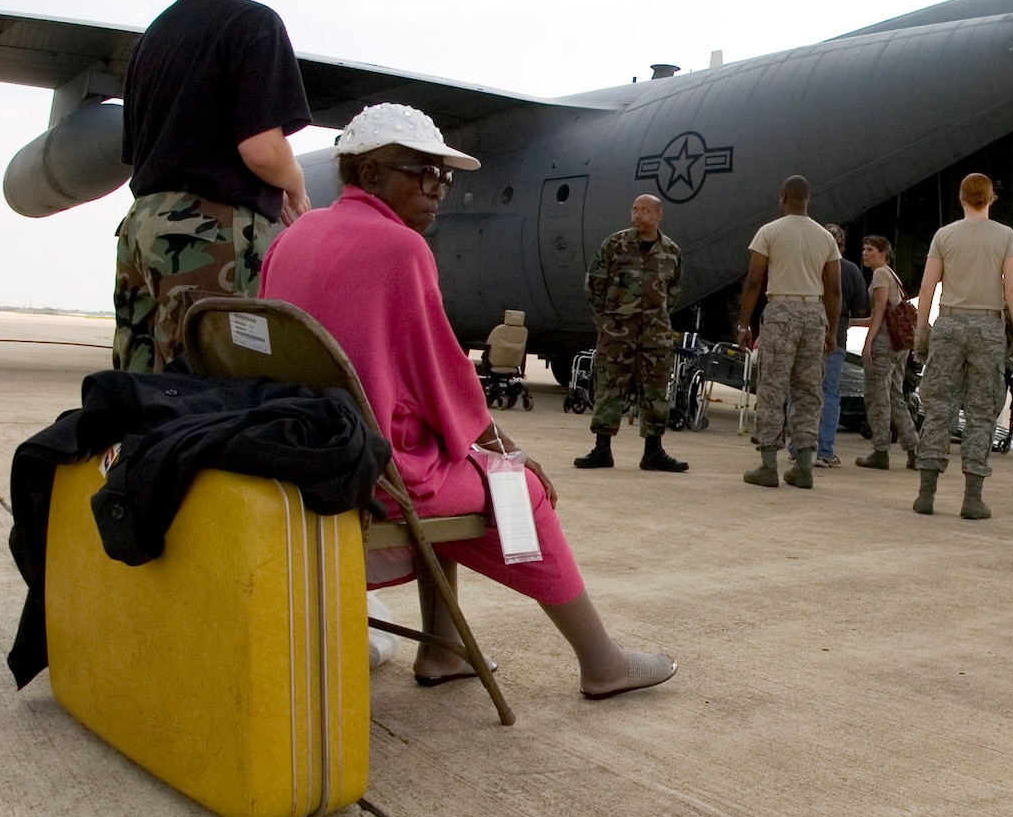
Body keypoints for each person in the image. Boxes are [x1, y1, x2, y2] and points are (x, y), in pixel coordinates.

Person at [260, 103, 676, 698]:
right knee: (520, 489)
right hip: (375, 474)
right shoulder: (399, 249)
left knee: (450, 452)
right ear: (372, 174)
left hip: (303, 451)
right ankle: (601, 661)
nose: (439, 192)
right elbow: (442, 375)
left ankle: (439, 649)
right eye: (424, 174)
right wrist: (507, 449)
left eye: (445, 178)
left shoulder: (296, 235)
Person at [114, 0, 311, 374]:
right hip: (208, 234)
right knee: (207, 388)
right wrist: (296, 183)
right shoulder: (254, 25)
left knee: (138, 390)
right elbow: (261, 148)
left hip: (141, 228)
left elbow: (134, 152)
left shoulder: (152, 37)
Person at [910, 173, 1013, 519]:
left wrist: (921, 333)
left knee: (939, 407)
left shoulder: (944, 236)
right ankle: (972, 497)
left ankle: (926, 494)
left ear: (962, 198)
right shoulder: (1005, 236)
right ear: (991, 198)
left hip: (948, 323)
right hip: (988, 327)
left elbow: (928, 288)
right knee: (981, 411)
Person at [737, 176, 842, 488]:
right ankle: (804, 466)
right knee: (809, 391)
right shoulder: (826, 238)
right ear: (807, 200)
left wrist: (744, 324)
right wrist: (832, 330)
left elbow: (754, 281)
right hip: (815, 313)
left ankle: (768, 465)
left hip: (781, 310)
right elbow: (834, 288)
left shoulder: (769, 232)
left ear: (783, 197)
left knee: (772, 387)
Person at [573, 194, 688, 472]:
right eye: (634, 210)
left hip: (655, 334)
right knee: (610, 385)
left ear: (659, 215)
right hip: (617, 332)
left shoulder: (671, 251)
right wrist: (606, 317)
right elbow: (595, 284)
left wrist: (656, 316)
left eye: (645, 211)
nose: (638, 215)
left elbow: (673, 291)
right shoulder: (614, 245)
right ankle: (602, 449)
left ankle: (653, 451)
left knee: (656, 389)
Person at [855, 235, 919, 469]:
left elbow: (880, 309)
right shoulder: (893, 276)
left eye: (870, 249)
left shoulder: (881, 274)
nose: (865, 253)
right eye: (864, 249)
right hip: (898, 345)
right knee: (895, 397)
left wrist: (868, 341)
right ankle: (913, 448)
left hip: (884, 343)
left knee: (876, 397)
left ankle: (880, 450)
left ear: (882, 253)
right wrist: (855, 323)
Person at [812, 224, 870, 468]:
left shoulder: (811, 265)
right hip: (836, 340)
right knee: (830, 393)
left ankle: (799, 448)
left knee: (802, 390)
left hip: (807, 335)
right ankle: (824, 451)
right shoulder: (851, 270)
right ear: (843, 245)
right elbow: (861, 308)